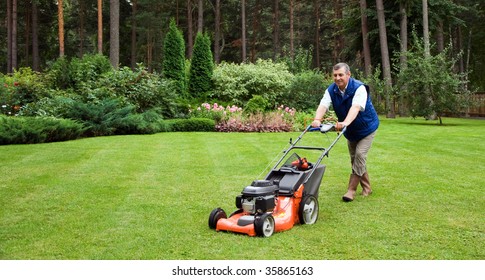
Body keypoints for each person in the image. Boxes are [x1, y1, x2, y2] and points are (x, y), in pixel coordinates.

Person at [311, 63, 379, 202]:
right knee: (355, 159)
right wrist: (317, 119)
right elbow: (323, 104)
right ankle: (367, 188)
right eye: (335, 75)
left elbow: (355, 107)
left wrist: (345, 122)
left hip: (367, 127)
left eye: (341, 75)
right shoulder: (331, 90)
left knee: (360, 155)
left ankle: (351, 190)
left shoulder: (359, 88)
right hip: (350, 130)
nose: (337, 78)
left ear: (348, 75)